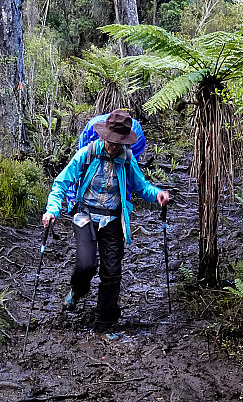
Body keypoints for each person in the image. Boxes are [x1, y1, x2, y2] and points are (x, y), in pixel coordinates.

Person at [42, 109, 169, 323]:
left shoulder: (128, 160)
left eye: (117, 142)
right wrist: (52, 210)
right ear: (103, 135)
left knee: (112, 272)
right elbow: (61, 182)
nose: (112, 146)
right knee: (86, 264)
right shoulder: (87, 153)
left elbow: (141, 187)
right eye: (110, 141)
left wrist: (158, 194)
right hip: (84, 215)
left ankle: (105, 318)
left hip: (113, 218)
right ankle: (77, 290)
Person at [79, 112, 146, 159]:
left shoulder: (137, 138)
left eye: (118, 143)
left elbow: (132, 173)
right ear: (103, 138)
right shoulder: (91, 131)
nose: (114, 146)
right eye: (111, 142)